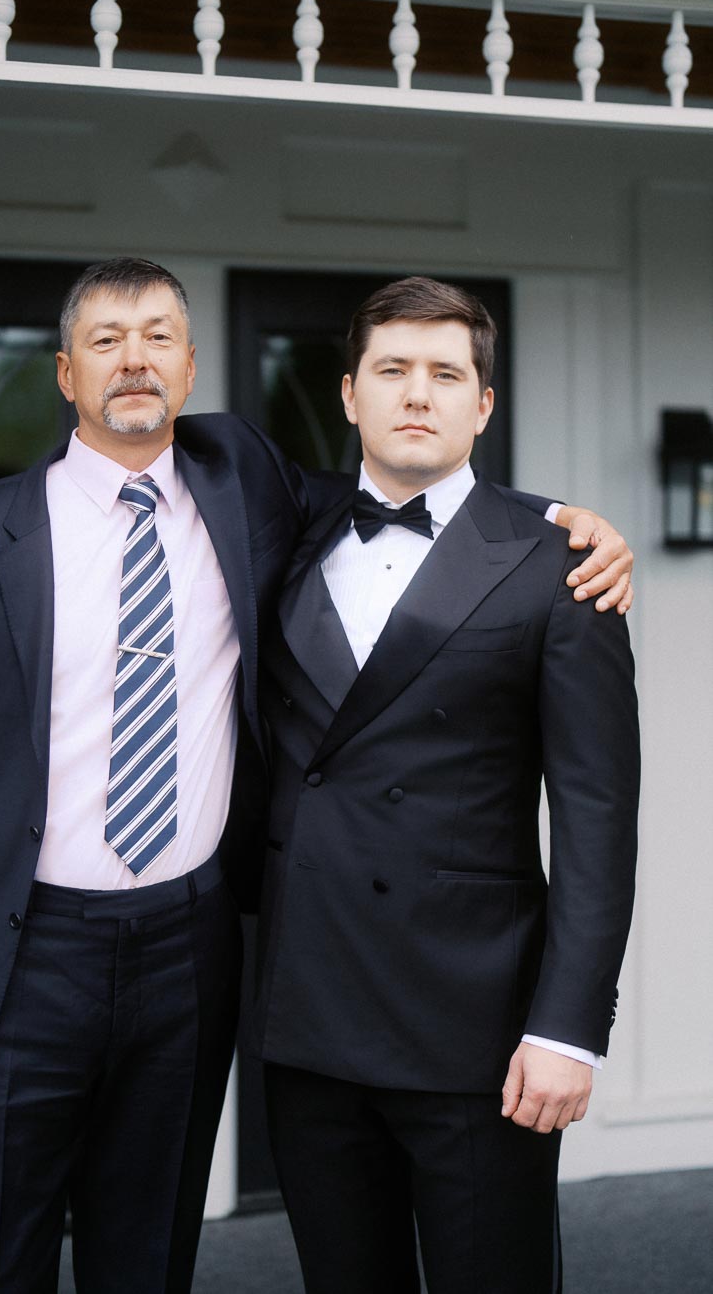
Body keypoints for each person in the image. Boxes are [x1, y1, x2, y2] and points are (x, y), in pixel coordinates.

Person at [0, 259, 633, 1293]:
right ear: (64, 372)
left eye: (158, 338)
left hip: (249, 967)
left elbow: (594, 812)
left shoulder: (259, 489)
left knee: (147, 1257)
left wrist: (573, 522)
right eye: (106, 340)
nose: (134, 359)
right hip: (67, 962)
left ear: (192, 369)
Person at [252, 276, 640, 1294]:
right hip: (313, 1017)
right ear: (348, 394)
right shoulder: (284, 539)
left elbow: (599, 820)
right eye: (392, 370)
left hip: (481, 1030)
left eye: (444, 373)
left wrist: (568, 1029)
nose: (416, 393)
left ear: (483, 404)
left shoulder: (561, 563)